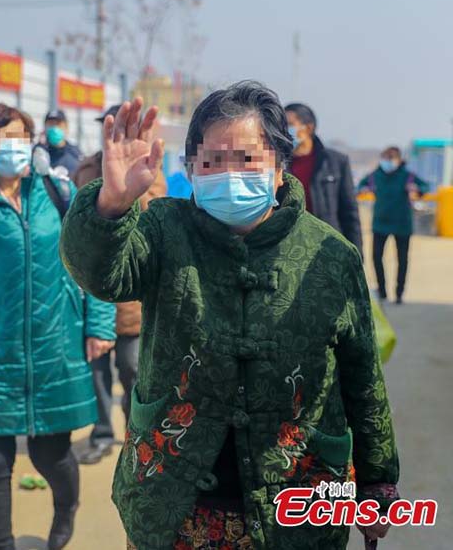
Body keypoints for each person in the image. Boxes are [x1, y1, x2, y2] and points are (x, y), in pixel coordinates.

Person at [60, 83, 399, 550]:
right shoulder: (163, 227)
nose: (229, 174)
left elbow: (363, 374)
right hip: (175, 497)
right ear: (191, 169)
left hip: (297, 498)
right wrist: (112, 207)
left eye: (246, 159)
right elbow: (102, 276)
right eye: (212, 160)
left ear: (280, 169)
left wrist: (378, 481)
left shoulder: (329, 253)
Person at [0, 102, 116, 550]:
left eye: (17, 137)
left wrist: (99, 322)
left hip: (53, 344)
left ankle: (65, 508)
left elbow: (89, 257)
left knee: (50, 454)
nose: (9, 147)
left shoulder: (55, 193)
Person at [71, 103, 167, 466]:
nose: (112, 135)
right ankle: (101, 433)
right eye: (107, 128)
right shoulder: (84, 169)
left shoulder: (150, 169)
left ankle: (135, 437)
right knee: (95, 373)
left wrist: (128, 187)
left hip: (130, 301)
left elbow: (154, 216)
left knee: (133, 371)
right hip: (90, 292)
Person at [285, 102, 363, 255]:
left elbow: (349, 212)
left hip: (327, 245)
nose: (285, 130)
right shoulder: (278, 163)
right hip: (290, 246)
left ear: (308, 127)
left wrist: (357, 255)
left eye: (289, 125)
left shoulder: (336, 162)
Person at [358, 146, 429, 304]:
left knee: (402, 260)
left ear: (398, 160)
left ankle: (399, 293)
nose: (388, 162)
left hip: (402, 224)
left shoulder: (408, 176)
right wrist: (362, 189)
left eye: (391, 159)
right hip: (380, 224)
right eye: (385, 159)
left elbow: (426, 186)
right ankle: (382, 290)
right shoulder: (374, 176)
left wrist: (417, 189)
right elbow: (359, 186)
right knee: (376, 257)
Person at [39, 109, 83, 177]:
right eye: (50, 124)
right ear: (44, 128)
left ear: (66, 127)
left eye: (58, 124)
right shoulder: (39, 154)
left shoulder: (76, 154)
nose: (54, 128)